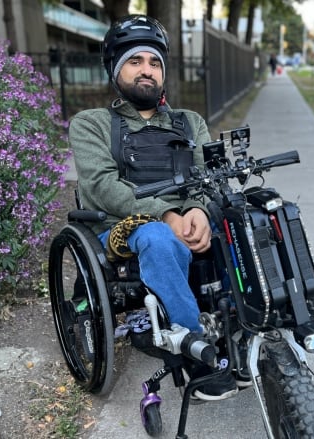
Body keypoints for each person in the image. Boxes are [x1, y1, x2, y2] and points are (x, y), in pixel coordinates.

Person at [67, 14, 238, 401]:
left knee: (246, 214)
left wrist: (199, 209)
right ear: (115, 70)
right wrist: (166, 214)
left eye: (154, 62)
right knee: (159, 237)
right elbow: (101, 186)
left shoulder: (190, 122)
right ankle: (196, 351)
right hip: (123, 227)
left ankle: (250, 324)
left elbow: (207, 176)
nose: (147, 70)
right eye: (135, 61)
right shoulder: (92, 124)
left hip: (185, 220)